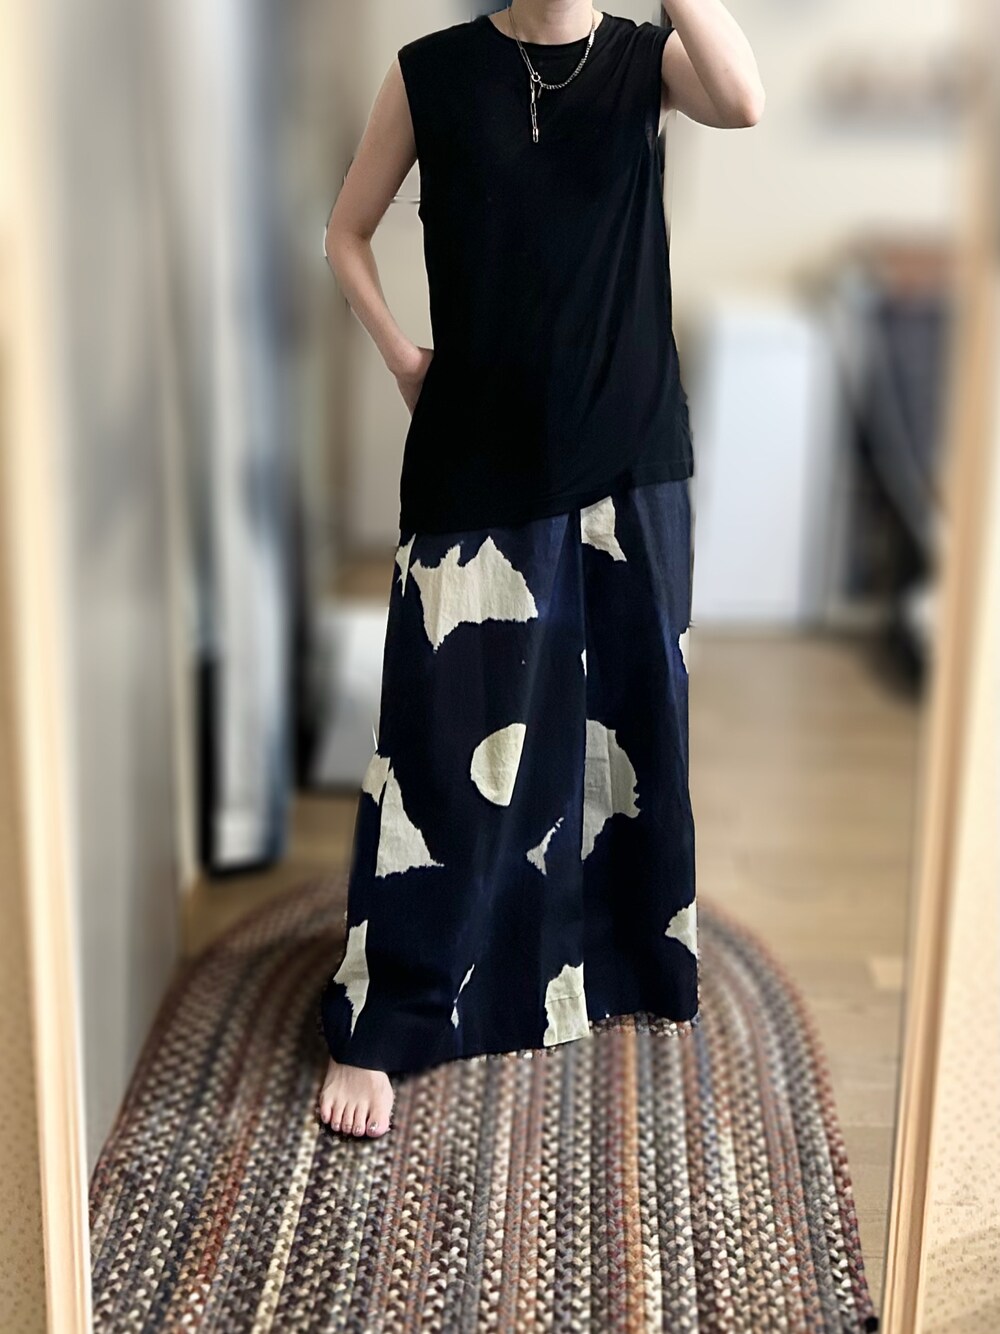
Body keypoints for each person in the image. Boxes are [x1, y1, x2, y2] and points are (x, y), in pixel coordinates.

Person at [316, 0, 764, 1140]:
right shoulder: (430, 71)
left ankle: (610, 962)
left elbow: (745, 100)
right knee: (442, 743)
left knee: (631, 730)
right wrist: (403, 359)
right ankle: (396, 1010)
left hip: (630, 451)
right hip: (475, 453)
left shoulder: (648, 62)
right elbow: (346, 232)